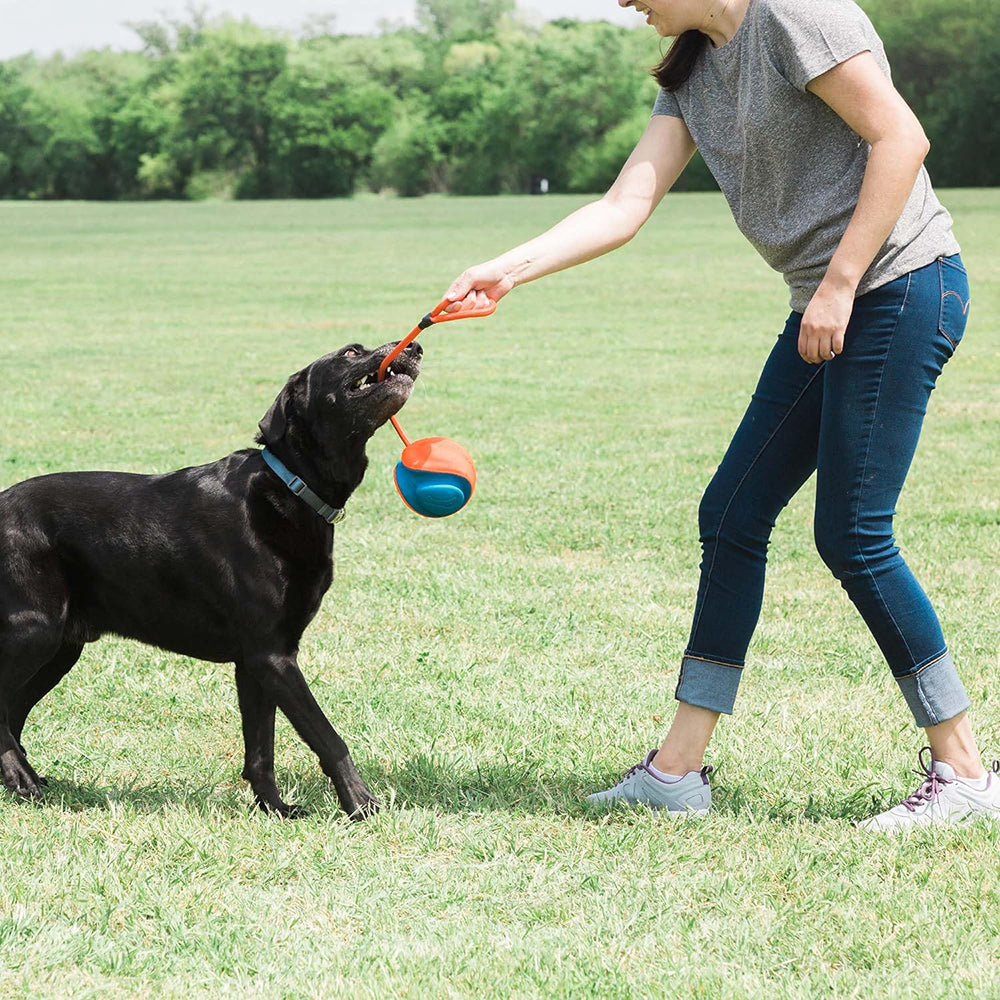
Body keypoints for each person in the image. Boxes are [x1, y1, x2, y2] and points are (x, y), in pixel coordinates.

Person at [444, 0, 998, 830]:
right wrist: (509, 270)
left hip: (900, 286)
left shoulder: (796, 14)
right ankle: (677, 772)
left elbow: (902, 139)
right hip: (832, 302)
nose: (623, 2)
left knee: (852, 533)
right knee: (733, 514)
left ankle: (967, 777)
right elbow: (625, 204)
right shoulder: (694, 63)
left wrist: (839, 284)